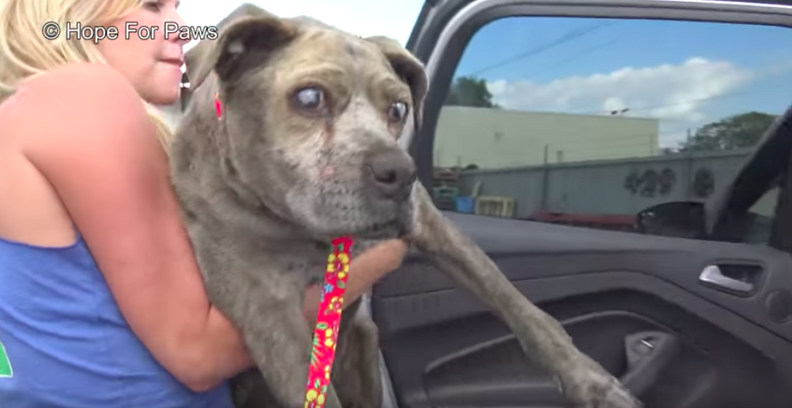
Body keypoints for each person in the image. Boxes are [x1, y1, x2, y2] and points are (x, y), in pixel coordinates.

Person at [0, 0, 409, 407]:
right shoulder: (83, 96)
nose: (181, 27)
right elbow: (198, 353)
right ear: (71, 17)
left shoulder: (27, 111)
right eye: (152, 7)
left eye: (177, 7)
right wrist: (391, 246)